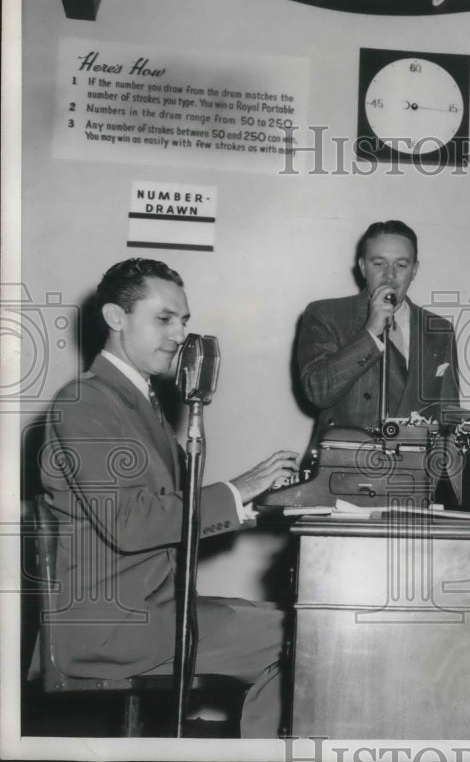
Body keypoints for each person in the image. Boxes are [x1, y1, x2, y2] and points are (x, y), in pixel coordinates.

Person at [37, 258, 298, 738]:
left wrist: (273, 500)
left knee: (292, 619)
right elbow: (132, 523)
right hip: (114, 626)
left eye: (184, 320)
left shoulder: (139, 403)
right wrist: (237, 490)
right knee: (305, 639)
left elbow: (178, 507)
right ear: (116, 318)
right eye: (164, 319)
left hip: (151, 610)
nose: (179, 334)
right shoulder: (85, 404)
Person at [296, 220, 460, 433]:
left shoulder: (439, 329)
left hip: (416, 462)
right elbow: (318, 392)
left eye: (401, 265)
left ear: (414, 270)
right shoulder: (326, 315)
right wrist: (370, 334)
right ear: (363, 267)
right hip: (346, 461)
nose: (390, 275)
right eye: (379, 263)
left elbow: (448, 414)